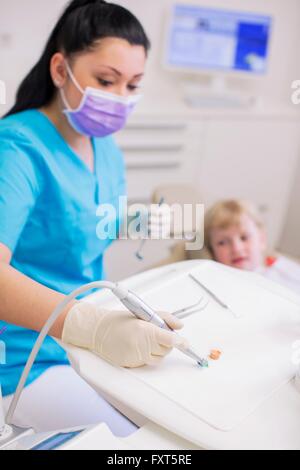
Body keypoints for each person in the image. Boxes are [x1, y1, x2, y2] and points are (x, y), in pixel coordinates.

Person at [0, 0, 186, 435]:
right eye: (106, 80)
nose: (120, 99)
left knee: (181, 415)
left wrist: (136, 223)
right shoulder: (16, 148)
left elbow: (78, 218)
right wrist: (93, 326)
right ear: (61, 70)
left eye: (133, 85)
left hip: (83, 344)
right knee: (151, 442)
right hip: (25, 358)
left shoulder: (103, 146)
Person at [204, 199, 300, 295]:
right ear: (212, 252)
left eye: (244, 238)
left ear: (262, 239)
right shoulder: (215, 287)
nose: (236, 249)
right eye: (222, 242)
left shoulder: (284, 272)